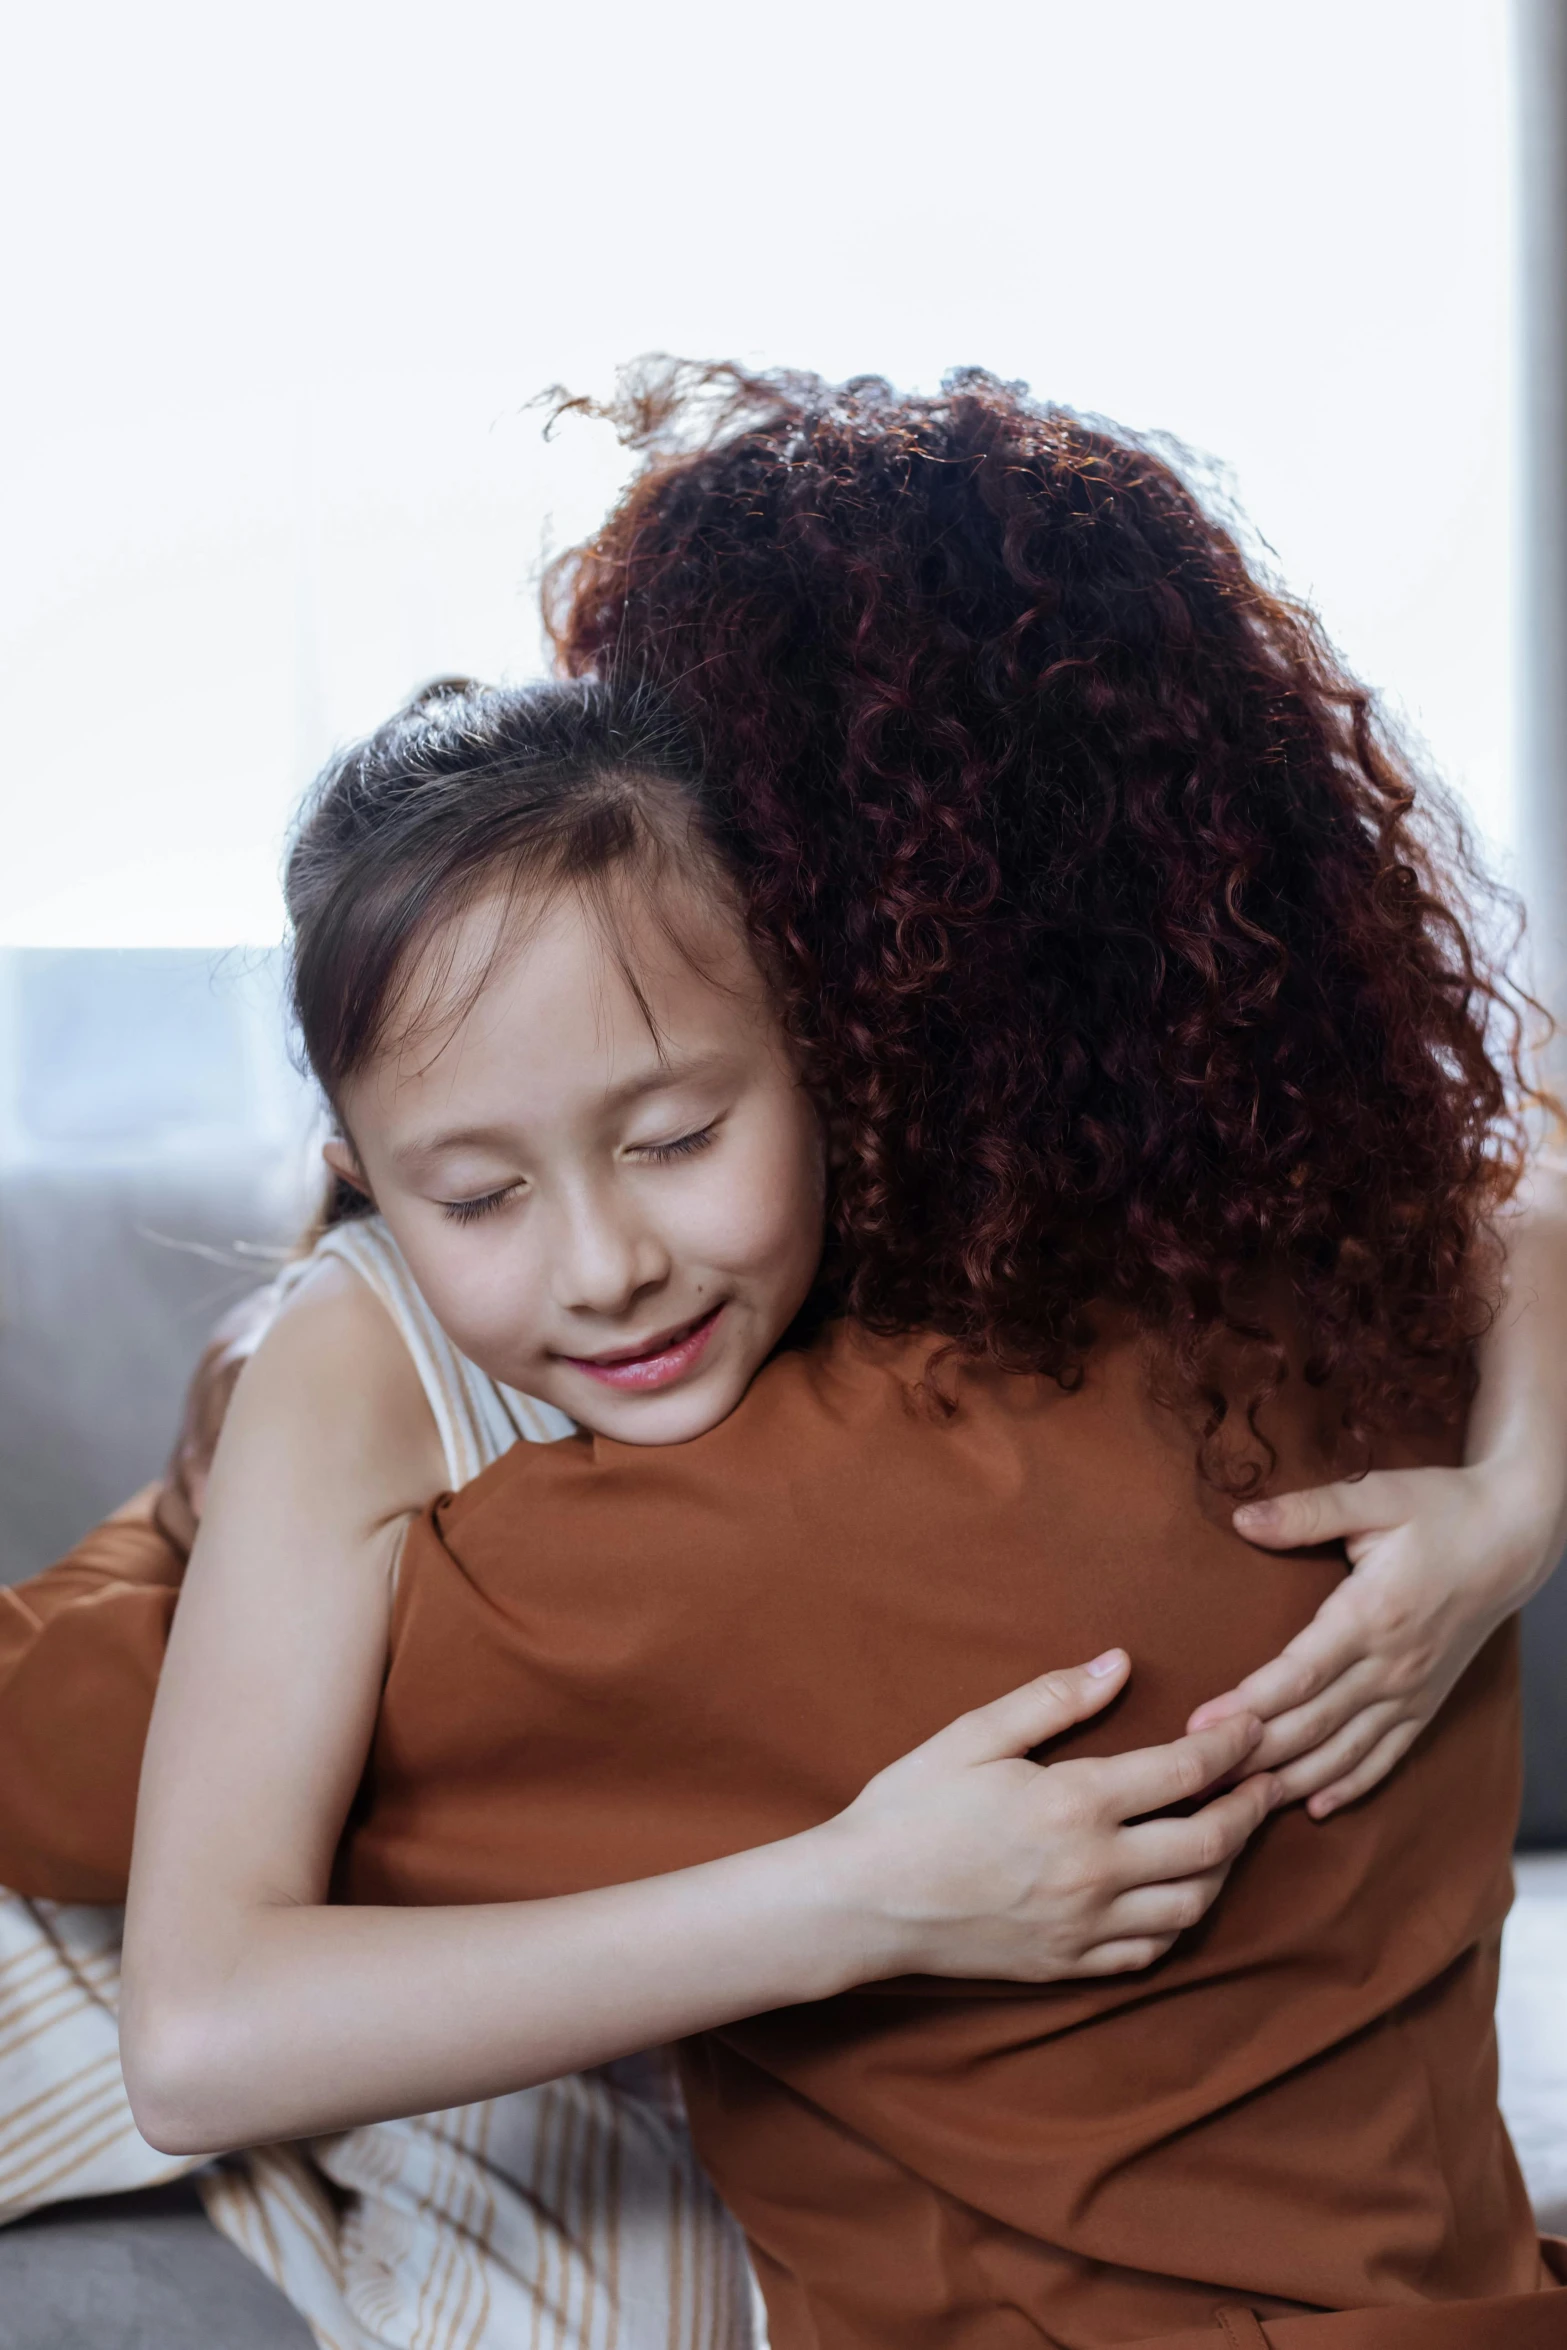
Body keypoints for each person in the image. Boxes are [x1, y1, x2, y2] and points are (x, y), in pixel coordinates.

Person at [4, 364, 1567, 2344]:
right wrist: (1523, 1483)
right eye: (472, 1190)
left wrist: (269, 1414)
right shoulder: (1351, 1284)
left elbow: (77, 1789)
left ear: (836, 953)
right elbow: (1518, 1200)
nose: (606, 1262)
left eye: (675, 1131)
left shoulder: (730, 1525)